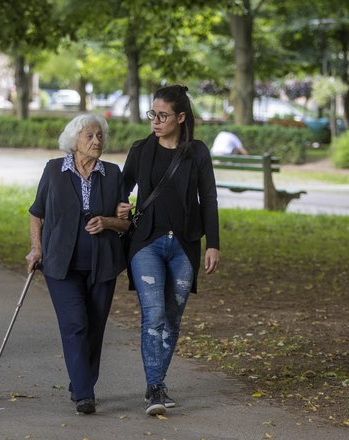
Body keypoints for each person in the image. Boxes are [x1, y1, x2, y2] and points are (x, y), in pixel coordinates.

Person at [117, 84, 220, 416]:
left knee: (173, 318)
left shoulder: (198, 152)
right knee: (154, 314)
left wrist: (213, 244)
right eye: (153, 114)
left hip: (185, 247)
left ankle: (157, 385)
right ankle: (155, 388)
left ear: (180, 117)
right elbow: (122, 188)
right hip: (146, 243)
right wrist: (119, 206)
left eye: (162, 115)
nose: (156, 121)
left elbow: (210, 199)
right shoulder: (141, 150)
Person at [26, 114, 130, 415]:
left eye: (100, 136)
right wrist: (36, 249)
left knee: (95, 328)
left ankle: (79, 383)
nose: (96, 141)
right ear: (74, 141)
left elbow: (125, 224)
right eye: (89, 136)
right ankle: (85, 393)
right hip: (61, 264)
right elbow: (37, 213)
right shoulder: (54, 170)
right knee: (75, 325)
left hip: (103, 264)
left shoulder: (112, 173)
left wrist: (109, 220)